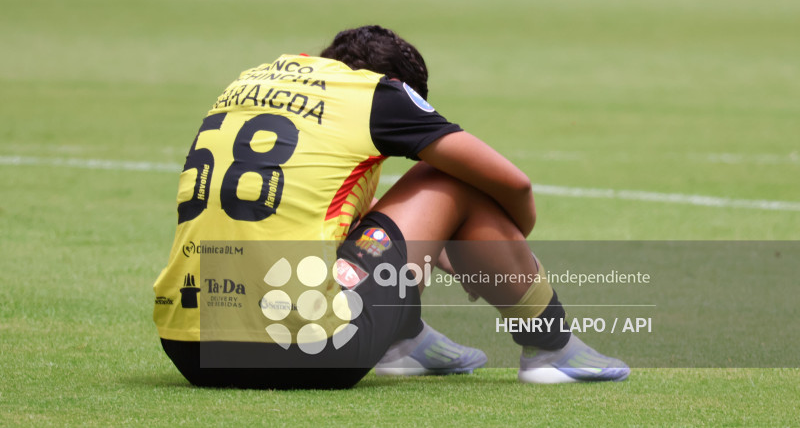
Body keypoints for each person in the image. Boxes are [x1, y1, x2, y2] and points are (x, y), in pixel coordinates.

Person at [153, 25, 629, 389]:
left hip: (189, 348)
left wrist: (439, 240)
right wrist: (501, 245)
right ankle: (551, 347)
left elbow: (317, 209)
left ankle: (404, 339)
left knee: (332, 224)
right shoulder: (377, 95)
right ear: (401, 86)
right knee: (448, 176)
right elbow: (516, 184)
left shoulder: (250, 81)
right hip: (309, 351)